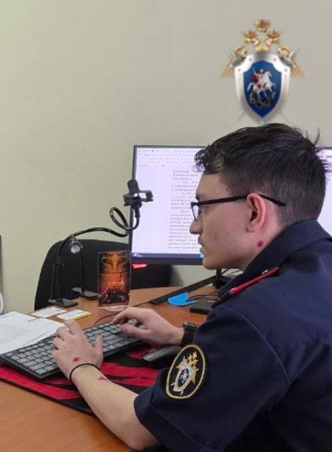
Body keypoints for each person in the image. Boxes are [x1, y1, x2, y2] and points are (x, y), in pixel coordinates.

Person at [52, 123, 332, 451]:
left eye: (204, 207)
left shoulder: (255, 316)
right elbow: (278, 353)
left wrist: (80, 366)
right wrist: (180, 336)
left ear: (255, 211)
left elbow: (140, 429)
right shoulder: (318, 265)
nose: (193, 226)